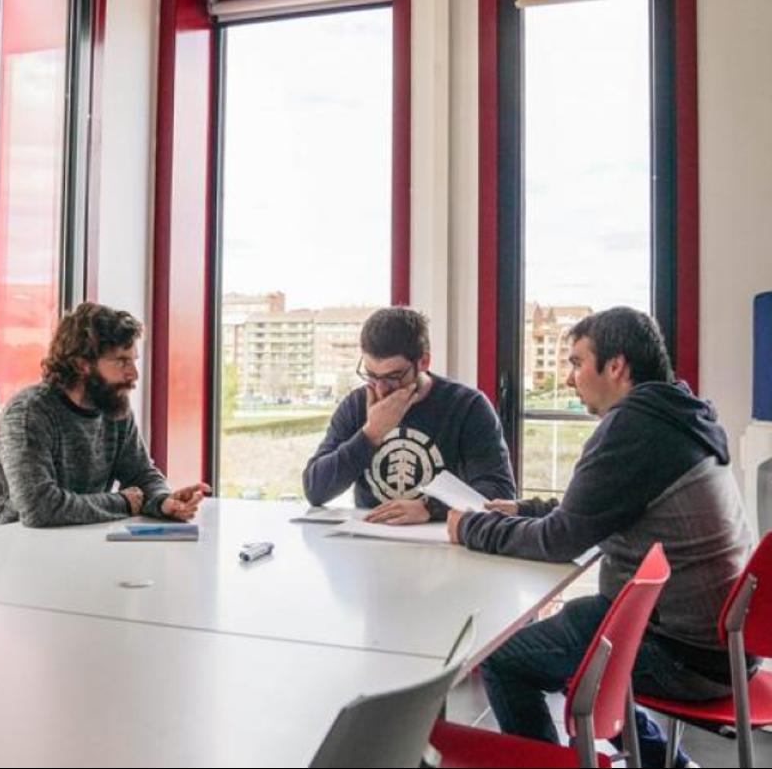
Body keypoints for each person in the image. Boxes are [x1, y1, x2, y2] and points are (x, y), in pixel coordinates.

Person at [448, 306, 754, 768]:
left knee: (503, 659)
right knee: (577, 630)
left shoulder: (634, 427)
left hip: (685, 656)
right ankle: (665, 761)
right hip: (721, 644)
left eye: (577, 363)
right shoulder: (676, 414)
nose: (569, 379)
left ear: (616, 366)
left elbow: (559, 541)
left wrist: (468, 526)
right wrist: (523, 510)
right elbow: (597, 509)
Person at [0, 302, 209, 529]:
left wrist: (163, 501)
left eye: (133, 361)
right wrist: (123, 503)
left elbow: (141, 474)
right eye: (121, 361)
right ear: (82, 364)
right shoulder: (28, 413)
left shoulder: (114, 407)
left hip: (69, 541)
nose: (134, 374)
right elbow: (38, 508)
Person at [303, 307, 515, 524]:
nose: (381, 389)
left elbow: (500, 492)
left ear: (423, 362)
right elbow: (315, 491)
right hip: (371, 533)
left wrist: (430, 508)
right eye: (372, 375)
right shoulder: (357, 405)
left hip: (442, 535)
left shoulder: (468, 406)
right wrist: (370, 434)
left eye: (393, 376)